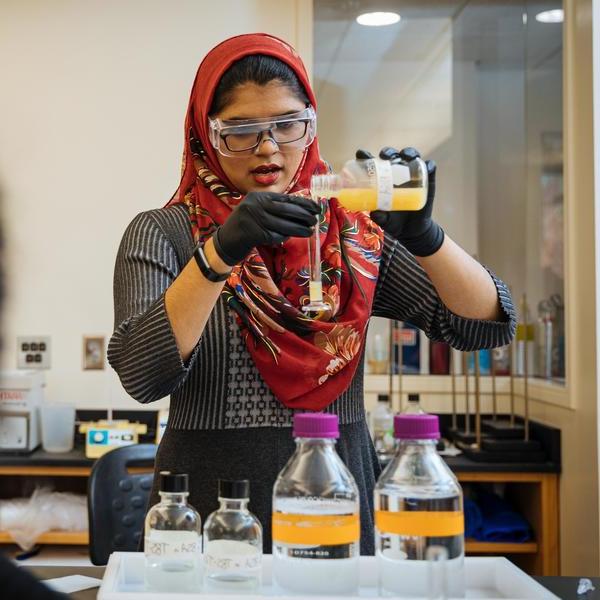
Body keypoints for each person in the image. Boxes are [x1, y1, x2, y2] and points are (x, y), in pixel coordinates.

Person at [108, 33, 516, 554]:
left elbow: (484, 324)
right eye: (240, 131)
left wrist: (425, 237)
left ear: (311, 122)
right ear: (205, 135)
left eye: (287, 124)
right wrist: (218, 255)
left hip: (338, 504)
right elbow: (142, 374)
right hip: (210, 511)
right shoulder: (162, 234)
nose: (268, 148)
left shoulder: (351, 236)